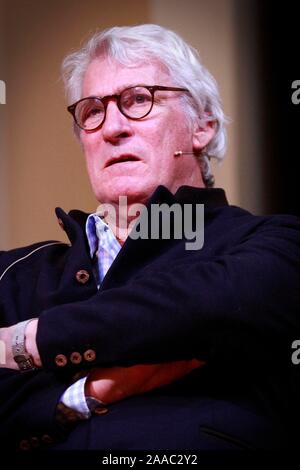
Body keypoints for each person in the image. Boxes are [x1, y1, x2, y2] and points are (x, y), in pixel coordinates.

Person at [0, 23, 300, 452]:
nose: (111, 128)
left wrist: (26, 341)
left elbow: (201, 306)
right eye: (92, 111)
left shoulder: (275, 244)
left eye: (138, 100)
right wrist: (82, 397)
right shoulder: (11, 275)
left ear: (203, 127)